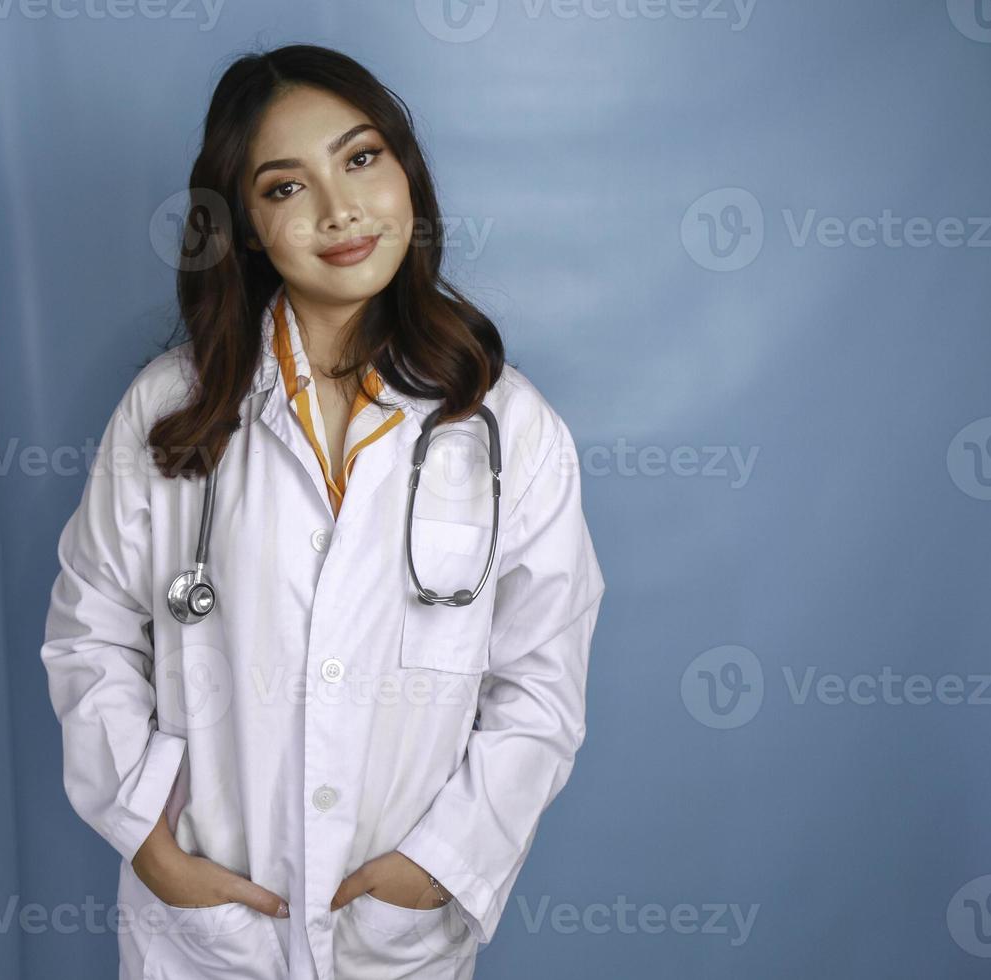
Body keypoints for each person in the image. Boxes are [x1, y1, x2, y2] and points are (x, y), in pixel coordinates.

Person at [41, 43, 606, 980]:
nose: (339, 210)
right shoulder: (170, 410)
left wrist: (437, 867)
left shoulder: (508, 427)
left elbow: (541, 685)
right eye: (283, 187)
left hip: (391, 938)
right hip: (210, 932)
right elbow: (90, 633)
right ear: (248, 227)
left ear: (405, 173)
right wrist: (149, 842)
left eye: (360, 158)